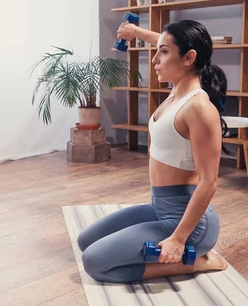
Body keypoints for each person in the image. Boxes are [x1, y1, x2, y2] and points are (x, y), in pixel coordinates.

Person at [76, 19, 229, 284]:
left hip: (188, 222)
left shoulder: (199, 108)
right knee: (85, 241)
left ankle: (200, 262)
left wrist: (178, 240)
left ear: (189, 58)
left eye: (163, 52)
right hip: (159, 206)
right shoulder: (176, 93)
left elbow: (210, 182)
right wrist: (136, 33)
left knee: (95, 263)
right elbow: (177, 45)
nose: (155, 59)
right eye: (157, 50)